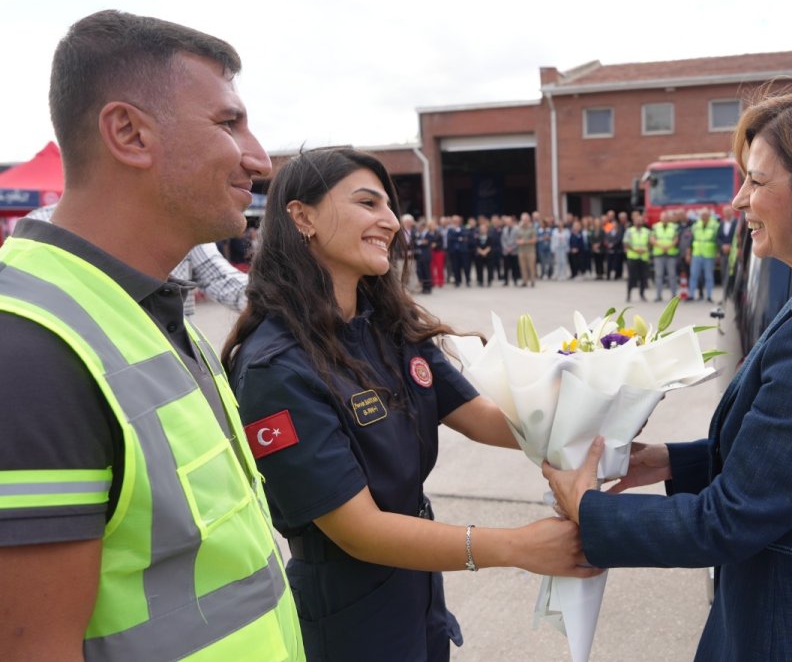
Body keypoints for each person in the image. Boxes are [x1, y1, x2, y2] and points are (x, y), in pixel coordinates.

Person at [544, 87, 792, 661]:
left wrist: (587, 508)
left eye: (756, 181)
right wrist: (671, 461)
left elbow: (731, 520)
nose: (737, 201)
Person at [0, 10, 302, 659]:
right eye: (228, 123)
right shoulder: (29, 352)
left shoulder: (143, 307)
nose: (258, 156)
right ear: (129, 133)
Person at [221, 148, 598, 661]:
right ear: (301, 216)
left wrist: (596, 415)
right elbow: (359, 530)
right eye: (367, 203)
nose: (391, 221)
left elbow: (486, 420)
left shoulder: (385, 327)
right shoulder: (277, 368)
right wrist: (517, 546)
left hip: (417, 577)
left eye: (389, 207)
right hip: (349, 604)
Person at [26, 203, 249, 315]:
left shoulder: (180, 222)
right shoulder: (44, 228)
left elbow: (226, 282)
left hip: (171, 371)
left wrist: (280, 298)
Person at [688, 206, 719, 302]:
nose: (703, 216)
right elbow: (691, 240)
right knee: (694, 275)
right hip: (697, 254)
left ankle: (709, 296)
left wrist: (717, 252)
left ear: (709, 215)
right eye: (702, 215)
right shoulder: (696, 225)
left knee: (708, 276)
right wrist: (689, 253)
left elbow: (718, 240)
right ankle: (691, 295)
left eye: (705, 215)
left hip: (709, 255)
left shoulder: (715, 225)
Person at [651, 209, 680, 301]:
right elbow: (652, 239)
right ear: (660, 218)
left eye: (667, 217)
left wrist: (669, 246)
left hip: (670, 254)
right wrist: (661, 246)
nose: (665, 219)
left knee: (672, 276)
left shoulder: (674, 227)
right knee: (659, 276)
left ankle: (674, 296)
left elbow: (676, 239)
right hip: (659, 254)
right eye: (663, 217)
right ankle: (658, 296)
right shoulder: (655, 227)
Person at [624, 210, 651, 302]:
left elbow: (650, 242)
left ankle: (642, 294)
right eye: (637, 220)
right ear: (634, 221)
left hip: (643, 257)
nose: (639, 222)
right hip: (633, 257)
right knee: (632, 277)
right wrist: (635, 250)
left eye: (640, 220)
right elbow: (626, 243)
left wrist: (645, 249)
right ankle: (629, 294)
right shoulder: (629, 231)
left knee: (644, 277)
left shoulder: (647, 231)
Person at [515, 211, 537, 287]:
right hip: (521, 251)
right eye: (523, 219)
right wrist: (518, 241)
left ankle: (532, 281)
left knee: (531, 266)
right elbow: (516, 239)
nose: (525, 221)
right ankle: (524, 281)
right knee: (523, 267)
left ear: (529, 220)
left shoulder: (532, 228)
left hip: (530, 251)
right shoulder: (519, 228)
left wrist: (525, 241)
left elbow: (534, 240)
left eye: (526, 219)